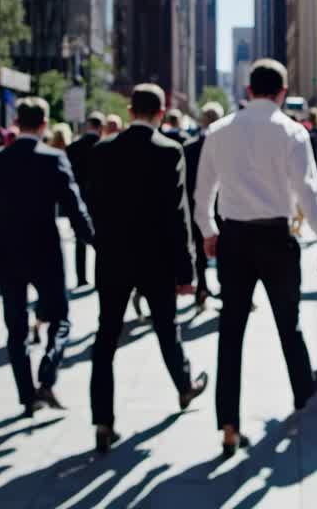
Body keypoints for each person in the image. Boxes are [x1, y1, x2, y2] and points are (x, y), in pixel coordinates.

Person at [195, 59, 317, 456]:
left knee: (231, 332)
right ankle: (302, 390)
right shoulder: (292, 131)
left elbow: (203, 192)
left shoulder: (219, 131)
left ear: (249, 90)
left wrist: (209, 232)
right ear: (283, 92)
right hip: (276, 236)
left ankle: (228, 425)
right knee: (288, 322)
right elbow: (310, 191)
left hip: (234, 239)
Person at [84, 85, 209, 453]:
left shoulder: (102, 150)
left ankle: (102, 421)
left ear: (128, 109)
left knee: (106, 338)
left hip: (114, 259)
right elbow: (177, 213)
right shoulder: (169, 151)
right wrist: (186, 272)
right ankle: (184, 385)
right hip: (156, 260)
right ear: (162, 111)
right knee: (167, 329)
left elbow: (93, 204)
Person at [0, 97, 94, 417]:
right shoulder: (53, 158)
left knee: (16, 329)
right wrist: (94, 241)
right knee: (61, 318)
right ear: (44, 125)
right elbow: (74, 208)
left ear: (16, 122)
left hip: (7, 254)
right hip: (45, 251)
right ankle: (47, 372)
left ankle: (27, 395)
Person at [182, 102, 224, 309]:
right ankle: (222, 288)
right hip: (220, 207)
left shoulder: (189, 148)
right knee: (224, 250)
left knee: (199, 250)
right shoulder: (225, 146)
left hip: (196, 206)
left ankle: (202, 288)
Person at [66, 112, 106, 288]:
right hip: (100, 198)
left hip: (80, 197)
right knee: (101, 239)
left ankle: (81, 277)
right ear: (101, 127)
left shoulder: (73, 148)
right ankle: (100, 278)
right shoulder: (104, 147)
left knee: (79, 239)